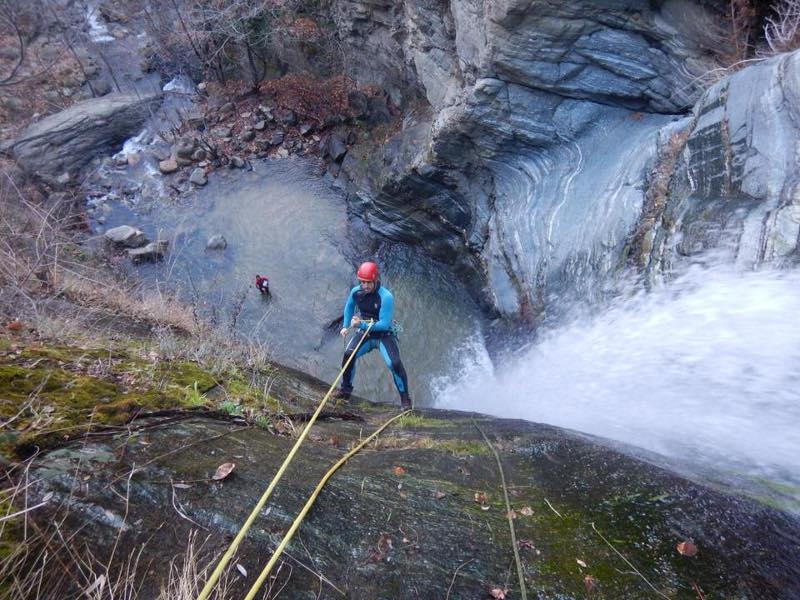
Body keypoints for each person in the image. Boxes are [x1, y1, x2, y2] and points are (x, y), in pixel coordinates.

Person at [336, 261, 411, 409]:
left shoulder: (386, 296)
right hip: (365, 333)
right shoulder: (356, 292)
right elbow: (349, 306)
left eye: (368, 282)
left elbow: (383, 323)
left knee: (394, 363)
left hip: (383, 335)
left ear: (376, 279)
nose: (365, 286)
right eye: (362, 282)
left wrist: (361, 325)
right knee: (348, 355)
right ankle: (345, 390)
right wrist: (345, 326)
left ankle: (405, 400)